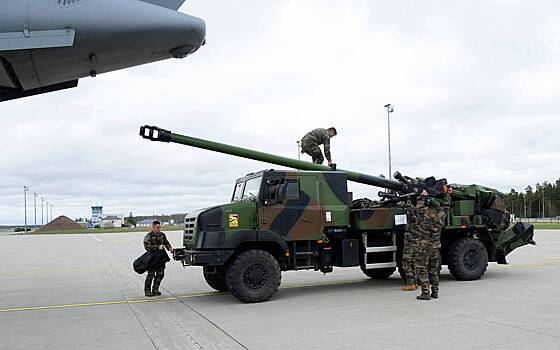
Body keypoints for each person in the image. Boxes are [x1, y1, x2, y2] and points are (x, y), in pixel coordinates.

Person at [413, 189, 449, 300]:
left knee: (422, 268)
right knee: (433, 270)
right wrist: (448, 194)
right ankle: (435, 292)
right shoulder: (441, 215)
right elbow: (446, 207)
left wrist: (422, 197)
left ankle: (425, 293)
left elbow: (418, 208)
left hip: (424, 247)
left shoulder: (425, 214)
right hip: (435, 247)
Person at [143, 220, 172, 297]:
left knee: (160, 274)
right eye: (157, 228)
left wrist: (170, 248)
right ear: (153, 227)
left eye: (160, 227)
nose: (159, 229)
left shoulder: (162, 234)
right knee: (151, 275)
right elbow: (147, 247)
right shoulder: (148, 236)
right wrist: (157, 247)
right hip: (152, 258)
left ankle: (155, 289)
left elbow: (166, 242)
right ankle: (147, 291)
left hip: (161, 258)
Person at [401, 198, 419, 291]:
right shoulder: (420, 217)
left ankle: (411, 284)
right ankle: (415, 283)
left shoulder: (414, 218)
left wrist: (408, 204)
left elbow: (411, 213)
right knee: (414, 263)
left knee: (406, 262)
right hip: (415, 242)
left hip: (411, 243)